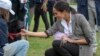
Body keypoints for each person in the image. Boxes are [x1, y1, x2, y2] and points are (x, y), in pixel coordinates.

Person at [21, 1, 95, 56]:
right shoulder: (59, 22)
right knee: (48, 53)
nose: (55, 16)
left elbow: (89, 40)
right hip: (69, 47)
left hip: (83, 49)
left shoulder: (79, 18)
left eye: (56, 13)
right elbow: (47, 33)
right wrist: (28, 32)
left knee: (56, 43)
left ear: (64, 12)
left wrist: (71, 41)